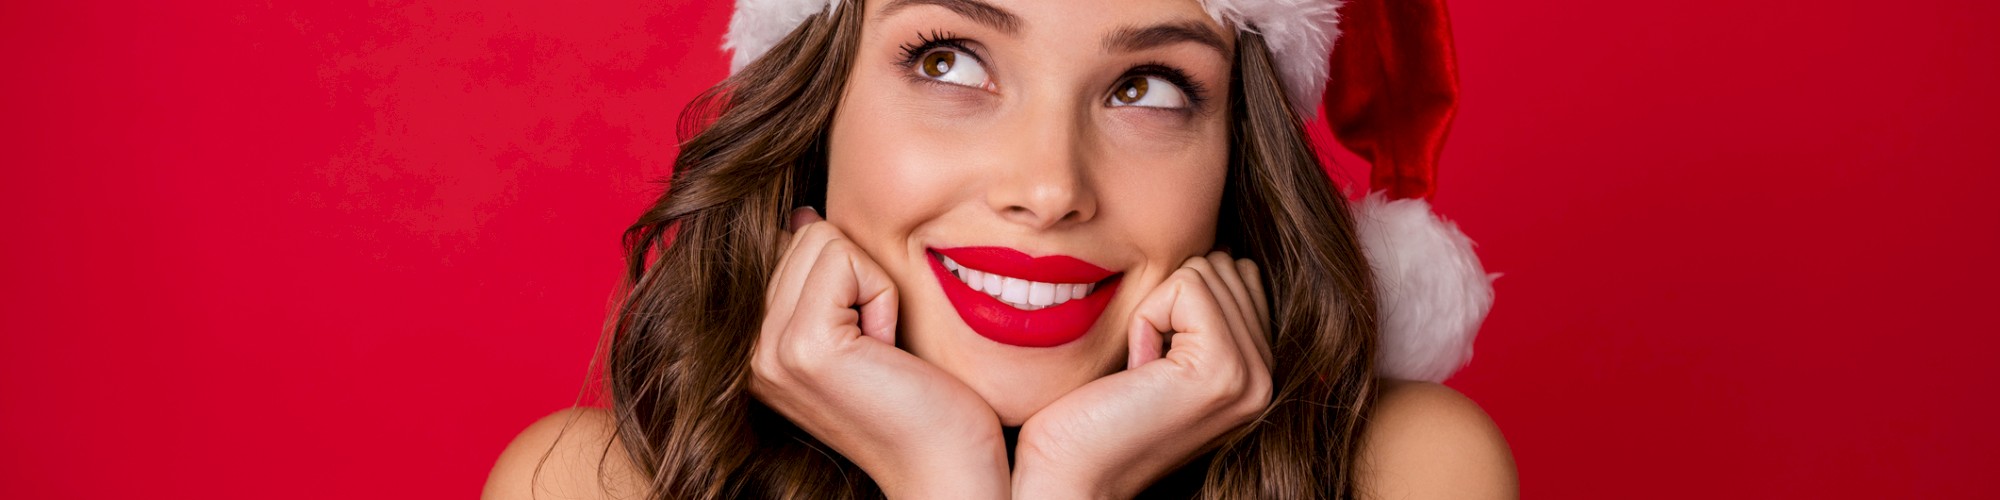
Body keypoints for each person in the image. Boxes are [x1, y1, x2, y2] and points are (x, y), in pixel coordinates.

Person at [485, 0, 1515, 498]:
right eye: (947, 60)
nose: (1048, 186)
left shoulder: (1402, 466)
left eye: (1146, 87)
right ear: (817, 107)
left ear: (1234, 155)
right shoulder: (589, 484)